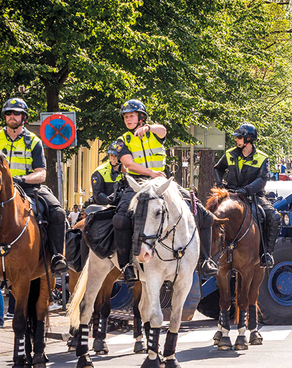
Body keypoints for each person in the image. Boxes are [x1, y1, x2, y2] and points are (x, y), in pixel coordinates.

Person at [0, 97, 68, 278]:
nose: (12, 116)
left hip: (28, 187)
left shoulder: (34, 141)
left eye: (16, 113)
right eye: (8, 113)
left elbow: (41, 174)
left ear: (24, 117)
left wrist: (21, 179)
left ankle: (56, 257)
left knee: (57, 212)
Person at [112, 99, 217, 282]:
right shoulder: (122, 140)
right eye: (126, 117)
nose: (128, 119)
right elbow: (129, 164)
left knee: (205, 215)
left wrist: (148, 128)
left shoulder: (154, 132)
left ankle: (205, 260)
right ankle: (126, 265)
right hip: (138, 185)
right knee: (120, 220)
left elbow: (163, 130)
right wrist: (151, 173)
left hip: (162, 183)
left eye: (132, 116)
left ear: (141, 117)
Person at [213, 123, 281, 267]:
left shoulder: (262, 158)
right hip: (230, 194)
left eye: (239, 137)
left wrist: (246, 190)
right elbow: (218, 169)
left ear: (248, 140)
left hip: (253, 196)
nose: (236, 140)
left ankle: (266, 254)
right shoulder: (229, 154)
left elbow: (262, 179)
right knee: (209, 213)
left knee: (274, 217)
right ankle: (207, 254)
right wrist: (220, 185)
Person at [91, 140, 125, 206]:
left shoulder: (128, 170)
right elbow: (98, 195)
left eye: (115, 156)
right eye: (110, 155)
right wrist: (111, 200)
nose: (112, 158)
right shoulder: (100, 172)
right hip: (106, 207)